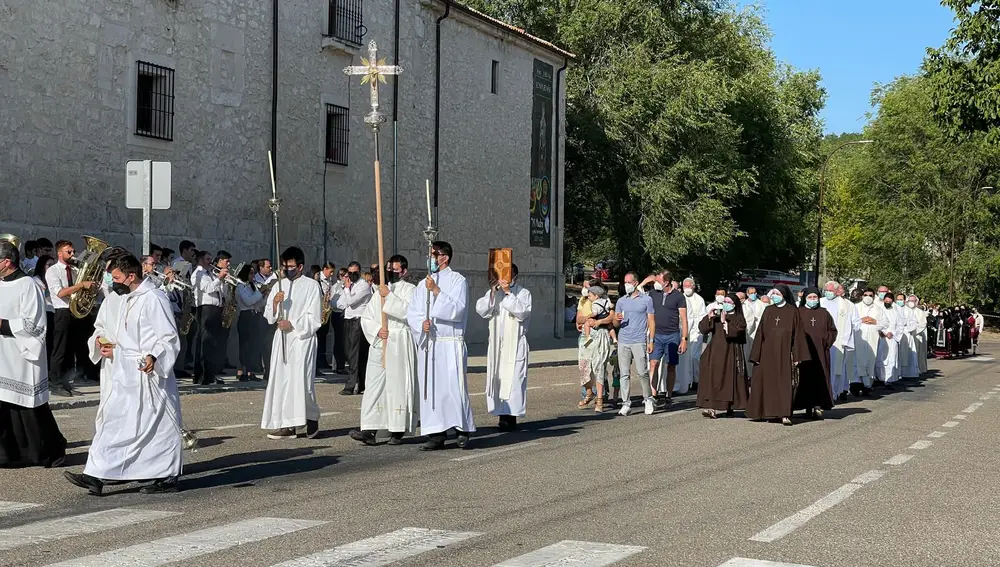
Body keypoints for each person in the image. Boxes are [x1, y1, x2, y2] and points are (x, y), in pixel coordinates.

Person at [64, 254, 182, 494]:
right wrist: (101, 343)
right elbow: (106, 329)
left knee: (155, 427)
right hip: (121, 371)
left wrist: (155, 357)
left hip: (147, 372)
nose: (111, 281)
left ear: (131, 276)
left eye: (115, 276)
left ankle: (166, 476)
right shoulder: (122, 298)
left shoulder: (154, 298)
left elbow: (169, 337)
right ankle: (95, 474)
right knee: (114, 421)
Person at [0, 240, 67, 468]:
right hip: (2, 355)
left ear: (6, 262)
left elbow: (35, 325)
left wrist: (3, 325)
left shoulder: (28, 285)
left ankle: (49, 451)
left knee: (27, 408)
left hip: (22, 355)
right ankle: (8, 455)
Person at [406, 241, 475, 450]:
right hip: (430, 344)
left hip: (449, 343)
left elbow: (458, 310)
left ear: (444, 257)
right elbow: (413, 311)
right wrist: (421, 323)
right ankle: (436, 434)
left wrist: (436, 291)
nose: (431, 258)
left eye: (434, 254)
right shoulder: (422, 284)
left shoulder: (457, 280)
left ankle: (462, 429)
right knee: (432, 391)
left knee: (454, 389)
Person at [351, 255, 419, 445]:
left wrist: (388, 296)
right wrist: (376, 330)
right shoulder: (378, 292)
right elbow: (367, 317)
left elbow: (409, 312)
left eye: (394, 270)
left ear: (403, 271)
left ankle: (397, 430)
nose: (390, 272)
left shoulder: (410, 290)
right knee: (374, 385)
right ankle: (369, 429)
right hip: (381, 341)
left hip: (399, 340)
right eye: (388, 269)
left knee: (398, 386)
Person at [260, 247, 322, 440]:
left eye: (291, 266)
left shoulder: (311, 286)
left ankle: (311, 417)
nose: (288, 270)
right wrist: (276, 304)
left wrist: (293, 323)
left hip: (302, 339)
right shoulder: (279, 285)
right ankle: (288, 425)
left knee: (301, 382)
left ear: (300, 266)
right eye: (285, 266)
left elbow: (315, 317)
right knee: (282, 381)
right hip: (282, 339)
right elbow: (269, 316)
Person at [475, 263, 532, 429]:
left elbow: (522, 312)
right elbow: (482, 310)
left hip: (514, 344)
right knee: (498, 379)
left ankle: (511, 416)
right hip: (497, 345)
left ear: (515, 276)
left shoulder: (523, 292)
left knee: (513, 381)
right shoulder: (494, 291)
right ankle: (501, 413)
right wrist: (493, 292)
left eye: (508, 274)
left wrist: (508, 293)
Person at [747, 285, 810, 426]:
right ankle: (770, 412)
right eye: (773, 293)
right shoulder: (768, 310)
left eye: (777, 293)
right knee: (768, 383)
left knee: (784, 384)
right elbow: (760, 333)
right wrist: (756, 355)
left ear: (783, 294)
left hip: (785, 353)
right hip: (767, 353)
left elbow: (798, 335)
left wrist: (798, 355)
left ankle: (784, 414)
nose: (774, 295)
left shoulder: (792, 311)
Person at [46, 239, 96, 396]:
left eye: (74, 251)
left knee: (71, 349)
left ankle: (66, 382)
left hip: (76, 312)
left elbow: (80, 290)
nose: (73, 254)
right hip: (62, 311)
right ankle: (54, 383)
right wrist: (81, 285)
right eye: (69, 251)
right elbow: (60, 292)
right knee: (59, 349)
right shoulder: (53, 271)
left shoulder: (74, 270)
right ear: (60, 253)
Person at [696, 292, 748, 419]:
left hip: (730, 353)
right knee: (713, 379)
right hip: (714, 353)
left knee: (728, 380)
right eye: (725, 302)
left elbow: (738, 333)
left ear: (735, 305)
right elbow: (703, 329)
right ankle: (712, 408)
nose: (726, 304)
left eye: (729, 302)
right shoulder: (716, 317)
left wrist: (725, 323)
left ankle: (730, 405)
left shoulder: (738, 318)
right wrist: (708, 317)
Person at [610, 272, 654, 416]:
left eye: (629, 282)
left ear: (635, 283)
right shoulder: (622, 301)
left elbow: (651, 321)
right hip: (624, 340)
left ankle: (648, 399)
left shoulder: (646, 300)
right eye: (625, 282)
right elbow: (615, 322)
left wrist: (651, 340)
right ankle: (625, 403)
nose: (626, 285)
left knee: (642, 372)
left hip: (639, 340)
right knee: (624, 374)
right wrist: (617, 319)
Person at [642, 269, 688, 405]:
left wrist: (684, 339)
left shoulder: (678, 296)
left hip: (672, 335)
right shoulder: (652, 294)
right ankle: (653, 395)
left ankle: (668, 394)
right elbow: (638, 291)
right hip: (656, 335)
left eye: (658, 281)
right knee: (653, 363)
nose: (655, 283)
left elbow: (684, 319)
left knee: (671, 366)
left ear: (666, 282)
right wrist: (647, 280)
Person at [796, 288, 837, 418]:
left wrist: (826, 341)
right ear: (805, 298)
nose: (813, 300)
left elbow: (832, 330)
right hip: (804, 351)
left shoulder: (824, 313)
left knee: (820, 377)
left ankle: (817, 405)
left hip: (820, 352)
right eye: (810, 298)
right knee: (804, 378)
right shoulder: (798, 312)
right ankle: (806, 405)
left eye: (815, 297)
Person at [190, 251, 226, 385]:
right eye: (207, 259)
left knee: (212, 344)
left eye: (211, 259)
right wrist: (219, 278)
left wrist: (222, 281)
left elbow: (221, 292)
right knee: (205, 342)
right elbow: (208, 288)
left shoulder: (210, 273)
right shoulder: (197, 274)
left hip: (215, 308)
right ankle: (203, 375)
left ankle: (210, 373)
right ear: (200, 260)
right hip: (205, 308)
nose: (210, 262)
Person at [820, 281, 859, 402]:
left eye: (830, 290)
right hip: (820, 341)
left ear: (837, 291)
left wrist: (845, 339)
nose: (828, 292)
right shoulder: (820, 302)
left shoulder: (847, 305)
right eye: (826, 290)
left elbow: (855, 323)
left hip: (838, 341)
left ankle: (835, 392)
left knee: (836, 369)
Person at [338, 261, 372, 395]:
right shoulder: (349, 285)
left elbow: (351, 302)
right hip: (348, 319)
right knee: (350, 352)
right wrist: (346, 289)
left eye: (354, 273)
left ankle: (350, 386)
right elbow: (341, 302)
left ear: (359, 272)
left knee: (354, 354)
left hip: (358, 321)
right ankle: (362, 384)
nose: (351, 275)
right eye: (349, 273)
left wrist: (347, 289)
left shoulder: (363, 285)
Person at [580, 285, 615, 412]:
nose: (588, 296)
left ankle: (600, 399)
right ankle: (589, 392)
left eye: (590, 294)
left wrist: (599, 322)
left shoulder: (603, 302)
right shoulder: (585, 302)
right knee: (585, 366)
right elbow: (579, 319)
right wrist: (587, 319)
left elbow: (612, 317)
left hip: (601, 335)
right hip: (588, 338)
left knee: (599, 367)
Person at [852, 288, 887, 396]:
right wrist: (861, 320)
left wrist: (874, 321)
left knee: (870, 360)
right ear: (862, 296)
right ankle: (856, 384)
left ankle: (867, 385)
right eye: (866, 295)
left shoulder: (878, 309)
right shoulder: (855, 307)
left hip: (872, 337)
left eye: (870, 295)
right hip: (859, 337)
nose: (868, 297)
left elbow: (885, 323)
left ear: (873, 296)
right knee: (857, 359)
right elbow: (851, 321)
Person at [676, 279, 707, 396]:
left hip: (695, 333)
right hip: (681, 331)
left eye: (689, 286)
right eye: (685, 286)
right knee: (683, 360)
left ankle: (696, 380)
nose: (687, 288)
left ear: (693, 286)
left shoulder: (699, 300)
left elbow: (701, 317)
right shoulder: (679, 297)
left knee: (694, 358)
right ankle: (683, 381)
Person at [235, 263, 264, 381]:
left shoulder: (252, 286)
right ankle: (243, 371)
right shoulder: (240, 287)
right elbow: (248, 301)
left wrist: (263, 295)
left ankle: (251, 372)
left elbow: (259, 303)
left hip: (254, 315)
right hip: (245, 316)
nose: (253, 276)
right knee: (244, 345)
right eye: (251, 273)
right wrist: (260, 293)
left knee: (253, 345)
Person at [876, 291, 904, 389]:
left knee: (891, 358)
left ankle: (889, 379)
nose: (887, 303)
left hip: (892, 338)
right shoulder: (879, 310)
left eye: (889, 301)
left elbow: (900, 325)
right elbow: (878, 323)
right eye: (886, 301)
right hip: (882, 337)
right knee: (881, 357)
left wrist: (894, 334)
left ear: (892, 302)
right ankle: (880, 377)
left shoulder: (896, 311)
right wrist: (884, 332)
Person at [899, 294, 921, 379]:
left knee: (908, 354)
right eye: (898, 299)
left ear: (904, 301)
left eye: (901, 299)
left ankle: (908, 373)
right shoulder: (894, 309)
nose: (899, 301)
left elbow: (914, 323)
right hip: (897, 334)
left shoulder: (909, 311)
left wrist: (907, 329)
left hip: (907, 334)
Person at [744, 286, 766, 369]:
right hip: (747, 331)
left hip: (758, 329)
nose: (753, 294)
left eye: (755, 293)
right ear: (747, 294)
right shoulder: (744, 305)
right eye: (751, 293)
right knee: (747, 352)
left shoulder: (761, 304)